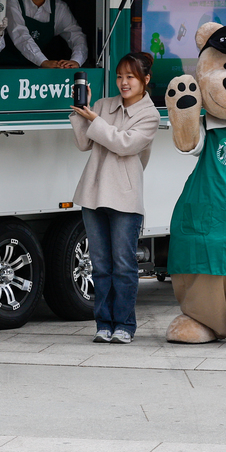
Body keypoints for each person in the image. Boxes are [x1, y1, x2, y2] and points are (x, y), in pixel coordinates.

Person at [69, 52, 160, 344]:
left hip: (125, 196)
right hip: (93, 193)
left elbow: (124, 144)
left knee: (123, 265)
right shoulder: (102, 105)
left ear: (145, 79)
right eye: (120, 76)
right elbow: (84, 143)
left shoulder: (150, 115)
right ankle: (103, 324)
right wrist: (80, 111)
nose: (123, 82)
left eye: (130, 77)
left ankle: (125, 325)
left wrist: (95, 120)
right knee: (100, 264)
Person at [3, 0, 88, 68]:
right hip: (5, 68)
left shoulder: (59, 8)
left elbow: (76, 36)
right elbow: (20, 34)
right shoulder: (12, 1)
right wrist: (43, 61)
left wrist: (76, 60)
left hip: (36, 69)